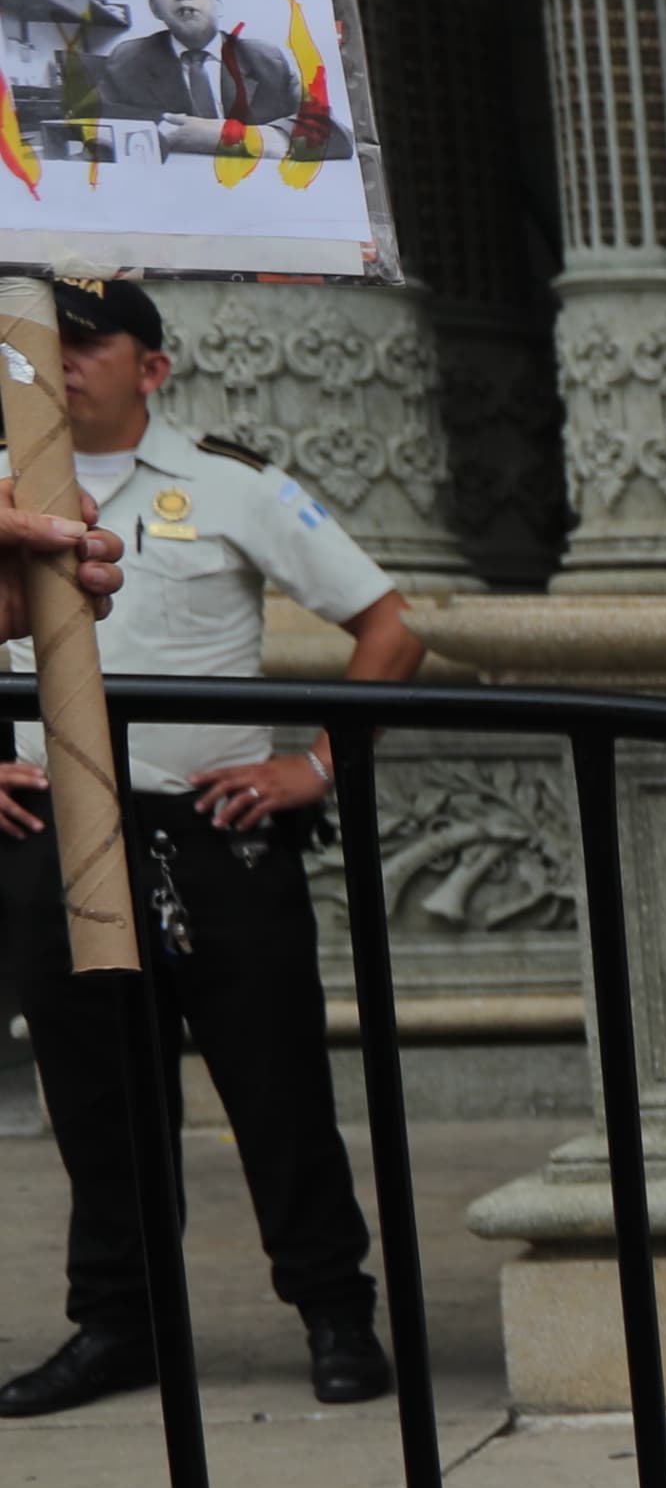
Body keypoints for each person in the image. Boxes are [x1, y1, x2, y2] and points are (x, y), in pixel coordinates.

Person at [0, 276, 421, 1418]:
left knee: (273, 1085)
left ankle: (336, 1310)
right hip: (56, 829)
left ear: (153, 367)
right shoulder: (4, 497)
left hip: (210, 832)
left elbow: (389, 626)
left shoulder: (232, 488)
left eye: (93, 342)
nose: (67, 361)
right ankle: (118, 1326)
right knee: (95, 1101)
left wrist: (318, 764)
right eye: (52, 343)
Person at [87, 0, 350, 158]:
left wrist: (236, 137)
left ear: (218, 4)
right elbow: (93, 129)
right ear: (155, 9)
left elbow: (334, 133)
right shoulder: (129, 60)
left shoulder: (267, 60)